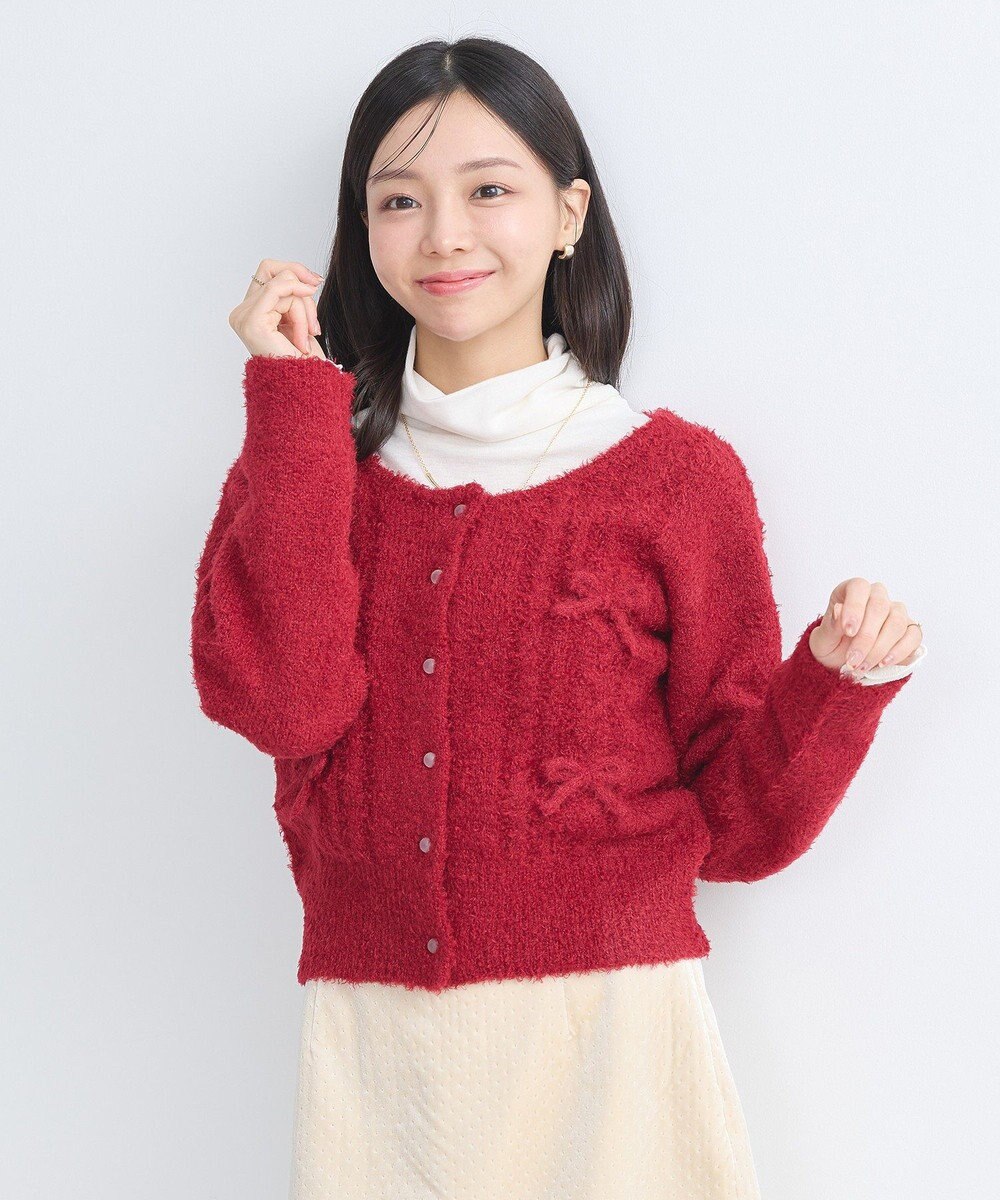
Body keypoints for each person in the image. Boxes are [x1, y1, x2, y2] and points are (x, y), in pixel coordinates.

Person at [191, 37, 927, 1200]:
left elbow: (736, 830)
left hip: (613, 1044)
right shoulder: (312, 469)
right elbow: (285, 707)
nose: (444, 234)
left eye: (489, 189)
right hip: (382, 1053)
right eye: (399, 200)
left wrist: (834, 686)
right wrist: (291, 402)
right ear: (359, 229)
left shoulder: (675, 479)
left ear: (568, 212)